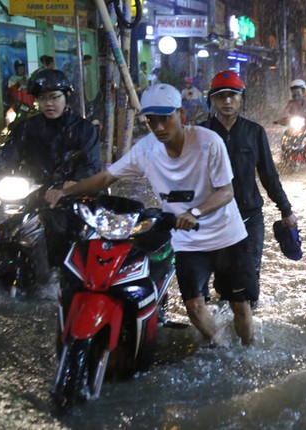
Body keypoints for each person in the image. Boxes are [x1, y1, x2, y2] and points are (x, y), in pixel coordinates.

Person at [45, 83, 257, 346]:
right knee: (193, 306)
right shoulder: (146, 149)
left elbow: (226, 191)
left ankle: (248, 350)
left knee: (240, 306)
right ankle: (221, 347)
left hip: (227, 236)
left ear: (181, 114)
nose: (158, 128)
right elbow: (106, 177)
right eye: (151, 121)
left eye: (164, 119)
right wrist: (67, 192)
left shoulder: (208, 142)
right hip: (187, 241)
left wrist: (195, 211)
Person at [0, 69, 101, 328]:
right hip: (32, 193)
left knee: (66, 230)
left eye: (54, 97)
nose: (49, 103)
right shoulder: (27, 128)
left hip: (70, 197)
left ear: (66, 97)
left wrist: (69, 186)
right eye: (43, 98)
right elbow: (7, 157)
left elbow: (92, 168)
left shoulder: (83, 130)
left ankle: (62, 285)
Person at [200, 70, 297, 306]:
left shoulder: (255, 132)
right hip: (214, 218)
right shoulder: (201, 134)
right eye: (221, 96)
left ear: (242, 99)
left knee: (248, 279)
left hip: (249, 216)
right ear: (212, 100)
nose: (227, 101)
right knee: (222, 282)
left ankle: (247, 331)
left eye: (233, 96)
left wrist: (286, 210)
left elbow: (269, 176)